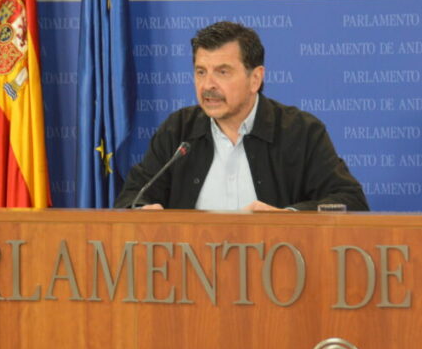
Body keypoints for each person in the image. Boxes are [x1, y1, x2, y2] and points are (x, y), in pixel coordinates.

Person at [114, 21, 368, 211]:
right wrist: (141, 211)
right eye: (201, 72)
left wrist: (289, 217)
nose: (207, 85)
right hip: (192, 272)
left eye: (222, 72)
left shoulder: (300, 131)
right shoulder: (179, 130)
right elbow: (131, 198)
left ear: (255, 78)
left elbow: (350, 201)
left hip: (276, 273)